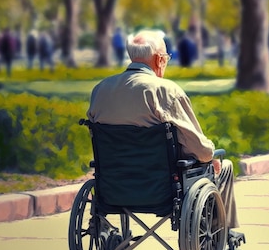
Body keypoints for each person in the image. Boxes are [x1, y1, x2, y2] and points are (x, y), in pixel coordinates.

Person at [87, 29, 241, 232]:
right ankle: (221, 235)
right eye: (166, 58)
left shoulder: (100, 89)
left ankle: (101, 228)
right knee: (223, 165)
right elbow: (200, 150)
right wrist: (210, 154)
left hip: (114, 186)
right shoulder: (165, 91)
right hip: (162, 189)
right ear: (159, 60)